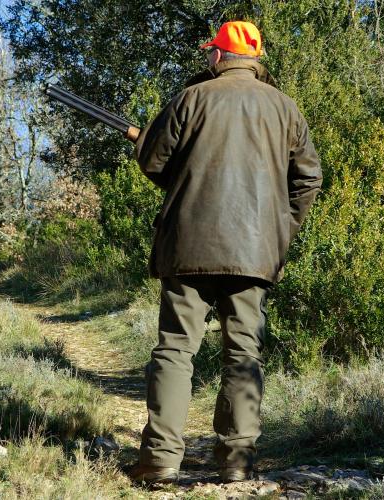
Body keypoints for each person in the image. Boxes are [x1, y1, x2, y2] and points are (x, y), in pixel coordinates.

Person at [129, 21, 322, 485]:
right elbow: (308, 180)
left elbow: (154, 162)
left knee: (176, 350)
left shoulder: (191, 99)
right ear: (254, 58)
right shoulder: (285, 108)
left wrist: (159, 155)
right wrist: (280, 230)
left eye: (210, 52)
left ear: (218, 56)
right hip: (256, 251)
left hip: (188, 247)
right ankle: (236, 461)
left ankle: (160, 461)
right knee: (243, 353)